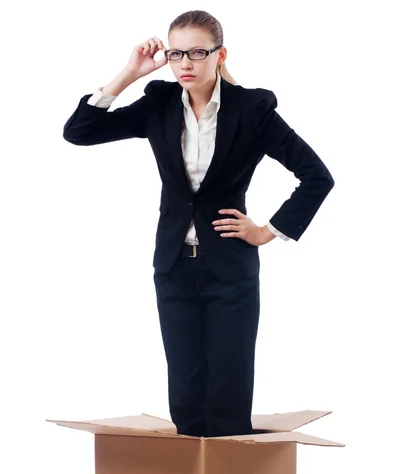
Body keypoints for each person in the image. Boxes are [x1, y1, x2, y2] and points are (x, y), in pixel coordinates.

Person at [63, 10, 335, 439]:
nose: (185, 63)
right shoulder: (159, 103)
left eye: (197, 52)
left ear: (219, 54)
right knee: (186, 392)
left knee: (228, 389)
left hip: (230, 268)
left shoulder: (253, 109)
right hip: (174, 266)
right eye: (176, 53)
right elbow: (78, 132)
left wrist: (268, 231)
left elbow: (317, 176)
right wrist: (129, 74)